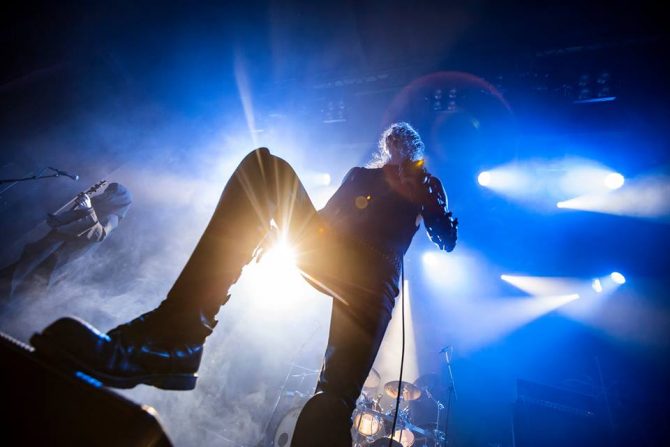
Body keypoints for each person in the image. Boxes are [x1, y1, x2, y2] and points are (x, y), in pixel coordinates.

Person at [31, 123, 457, 446]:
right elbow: (327, 219)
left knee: (333, 398)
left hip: (376, 280)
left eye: (407, 144)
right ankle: (177, 334)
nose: (399, 149)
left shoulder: (426, 185)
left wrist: (425, 199)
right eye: (394, 142)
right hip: (336, 253)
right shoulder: (361, 176)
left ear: (414, 150)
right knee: (264, 169)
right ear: (387, 145)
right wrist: (280, 228)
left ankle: (320, 428)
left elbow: (447, 238)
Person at [0, 182, 132, 299]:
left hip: (58, 255)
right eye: (108, 190)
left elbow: (100, 234)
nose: (107, 193)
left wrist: (88, 210)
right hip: (49, 247)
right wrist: (62, 218)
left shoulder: (113, 217)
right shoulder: (97, 206)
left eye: (111, 192)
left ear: (119, 199)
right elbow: (74, 219)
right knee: (18, 271)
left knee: (29, 284)